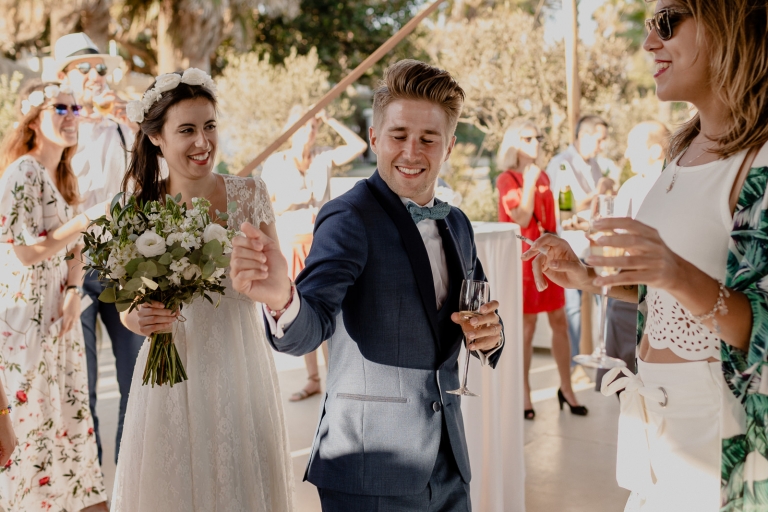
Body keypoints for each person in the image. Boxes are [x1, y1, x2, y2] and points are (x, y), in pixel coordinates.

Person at [523, 0, 768, 508]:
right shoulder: (682, 149)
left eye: (667, 21)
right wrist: (590, 277)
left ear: (730, 23)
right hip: (655, 417)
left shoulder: (760, 159)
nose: (648, 42)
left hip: (720, 437)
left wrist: (674, 271)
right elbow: (668, 295)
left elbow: (759, 325)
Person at [231, 59, 505, 511]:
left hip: (449, 461)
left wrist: (491, 338)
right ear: (375, 138)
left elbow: (477, 313)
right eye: (398, 136)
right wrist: (283, 298)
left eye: (428, 139)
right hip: (368, 467)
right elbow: (311, 323)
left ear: (450, 145)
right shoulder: (348, 216)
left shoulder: (458, 223)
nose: (412, 152)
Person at [110, 69, 293, 512]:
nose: (203, 142)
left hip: (239, 361)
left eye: (209, 126)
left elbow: (278, 283)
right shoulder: (138, 207)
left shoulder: (250, 194)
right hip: (171, 371)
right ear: (156, 138)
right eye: (187, 130)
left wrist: (264, 280)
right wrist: (135, 318)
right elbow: (126, 304)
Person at [0, 80, 108, 511]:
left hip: (58, 315)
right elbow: (25, 251)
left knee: (64, 425)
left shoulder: (61, 174)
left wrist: (72, 290)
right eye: (59, 108)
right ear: (34, 119)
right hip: (24, 319)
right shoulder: (22, 171)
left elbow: (75, 252)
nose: (70, 116)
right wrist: (87, 219)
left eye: (75, 108)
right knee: (30, 430)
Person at [54, 32, 145, 465]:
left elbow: (154, 183)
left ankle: (128, 472)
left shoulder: (125, 128)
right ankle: (91, 481)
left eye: (101, 69)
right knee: (82, 383)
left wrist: (139, 131)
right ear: (63, 79)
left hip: (122, 266)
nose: (95, 76)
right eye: (84, 69)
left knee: (135, 378)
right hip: (69, 270)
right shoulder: (53, 133)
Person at [261, 105, 367, 401]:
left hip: (323, 241)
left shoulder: (323, 156)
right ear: (291, 128)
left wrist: (330, 118)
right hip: (292, 242)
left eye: (314, 124)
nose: (311, 128)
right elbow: (262, 206)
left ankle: (337, 377)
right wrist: (285, 208)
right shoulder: (276, 162)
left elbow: (359, 146)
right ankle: (312, 379)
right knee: (301, 310)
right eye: (305, 123)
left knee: (333, 310)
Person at [496, 119, 586, 420]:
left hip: (548, 257)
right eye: (528, 137)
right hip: (523, 259)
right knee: (527, 328)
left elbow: (551, 221)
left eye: (538, 137)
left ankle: (567, 388)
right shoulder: (507, 179)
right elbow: (521, 218)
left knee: (559, 322)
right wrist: (531, 182)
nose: (535, 142)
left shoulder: (546, 175)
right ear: (514, 143)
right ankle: (525, 393)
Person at [596, 121, 671, 390]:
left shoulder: (671, 187)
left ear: (654, 150)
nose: (626, 154)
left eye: (632, 146)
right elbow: (611, 234)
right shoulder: (629, 186)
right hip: (624, 294)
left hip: (659, 298)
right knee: (620, 378)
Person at [546, 115, 615, 362]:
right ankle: (574, 367)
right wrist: (599, 190)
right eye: (599, 140)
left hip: (595, 245)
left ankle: (602, 357)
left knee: (606, 301)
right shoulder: (561, 163)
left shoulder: (594, 163)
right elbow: (563, 206)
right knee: (572, 310)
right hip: (571, 245)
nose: (602, 146)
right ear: (583, 136)